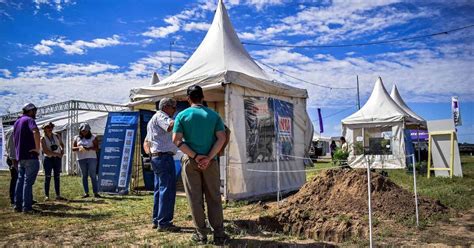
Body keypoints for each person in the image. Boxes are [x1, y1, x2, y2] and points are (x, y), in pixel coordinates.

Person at [172, 85, 229, 245]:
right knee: (214, 197)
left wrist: (196, 156)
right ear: (203, 97)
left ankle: (201, 234)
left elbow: (176, 141)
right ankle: (218, 234)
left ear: (188, 98)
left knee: (194, 198)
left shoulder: (182, 116)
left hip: (190, 161)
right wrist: (209, 157)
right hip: (211, 163)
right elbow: (222, 138)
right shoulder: (214, 115)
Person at [145, 97, 180, 231]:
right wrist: (181, 118)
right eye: (173, 107)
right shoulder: (161, 116)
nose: (174, 110)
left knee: (160, 190)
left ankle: (157, 219)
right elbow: (170, 126)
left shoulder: (154, 118)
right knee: (167, 189)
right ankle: (164, 222)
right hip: (163, 157)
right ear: (166, 107)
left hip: (158, 157)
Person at [13, 103, 41, 213]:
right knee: (28, 182)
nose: (35, 113)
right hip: (30, 156)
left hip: (21, 156)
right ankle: (27, 207)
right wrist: (37, 148)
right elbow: (36, 131)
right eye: (34, 111)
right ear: (30, 111)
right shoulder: (29, 120)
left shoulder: (16, 122)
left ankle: (17, 205)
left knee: (20, 181)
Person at [72, 123, 101, 198]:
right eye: (83, 131)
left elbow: (97, 148)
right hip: (81, 158)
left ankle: (96, 192)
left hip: (92, 158)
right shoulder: (76, 138)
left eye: (86, 131)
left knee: (93, 175)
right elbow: (73, 148)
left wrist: (89, 148)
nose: (84, 132)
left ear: (89, 130)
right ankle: (86, 192)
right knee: (84, 175)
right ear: (80, 130)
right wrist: (79, 148)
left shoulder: (93, 137)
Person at [41, 122, 65, 201]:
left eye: (51, 127)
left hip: (57, 159)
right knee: (47, 177)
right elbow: (45, 151)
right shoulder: (42, 138)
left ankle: (58, 195)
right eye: (48, 127)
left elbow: (62, 144)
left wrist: (62, 150)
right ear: (44, 129)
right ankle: (46, 195)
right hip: (48, 159)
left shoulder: (57, 136)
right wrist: (56, 154)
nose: (50, 129)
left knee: (57, 176)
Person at [5, 130, 18, 206]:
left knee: (22, 179)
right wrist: (13, 160)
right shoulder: (13, 132)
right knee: (15, 179)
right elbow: (11, 147)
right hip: (13, 159)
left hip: (19, 159)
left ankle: (25, 197)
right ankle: (13, 199)